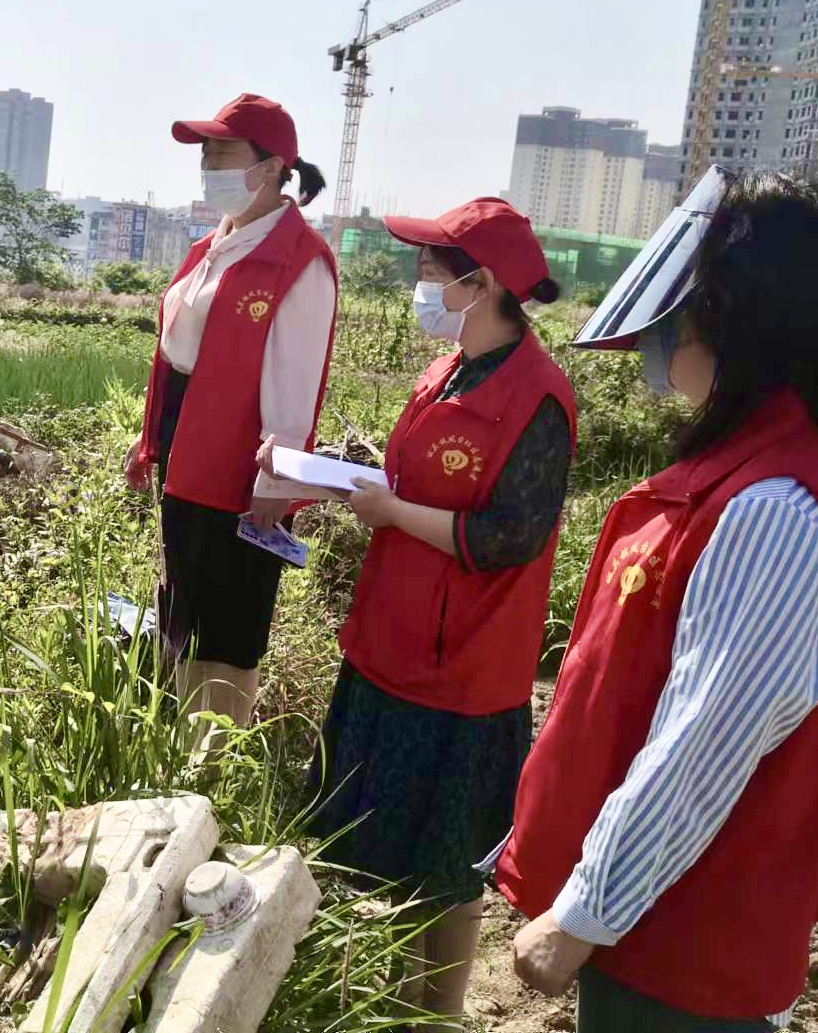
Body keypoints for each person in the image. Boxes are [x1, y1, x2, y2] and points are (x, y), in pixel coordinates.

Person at [497, 170, 818, 1030]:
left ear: (739, 320)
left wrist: (583, 914)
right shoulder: (750, 481)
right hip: (658, 926)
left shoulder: (775, 510)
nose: (669, 335)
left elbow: (706, 742)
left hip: (679, 950)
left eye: (689, 308)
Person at [263, 198, 574, 1024]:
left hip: (463, 670)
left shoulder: (537, 401)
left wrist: (396, 515)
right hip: (390, 644)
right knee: (385, 849)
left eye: (434, 269)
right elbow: (415, 484)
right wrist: (330, 473)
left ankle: (437, 1014)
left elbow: (514, 534)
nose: (421, 281)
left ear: (483, 284)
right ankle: (396, 1004)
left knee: (445, 865)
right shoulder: (447, 373)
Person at [124, 92, 338, 739]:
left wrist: (274, 486)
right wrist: (150, 441)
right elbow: (176, 355)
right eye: (205, 151)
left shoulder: (300, 263)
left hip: (238, 471)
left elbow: (295, 382)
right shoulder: (210, 247)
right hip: (185, 449)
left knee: (226, 623)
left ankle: (208, 766)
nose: (209, 162)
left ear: (273, 167)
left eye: (223, 150)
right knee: (179, 602)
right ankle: (165, 749)